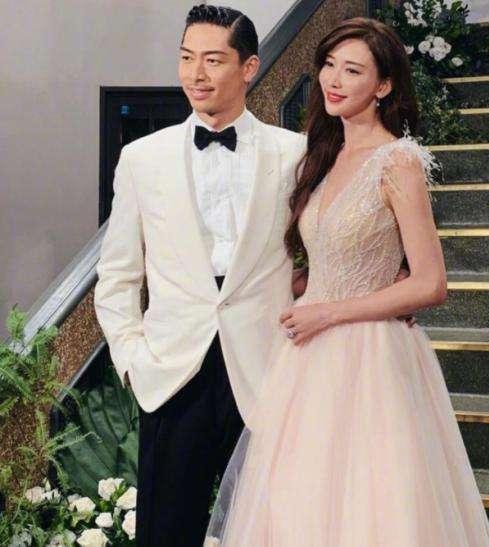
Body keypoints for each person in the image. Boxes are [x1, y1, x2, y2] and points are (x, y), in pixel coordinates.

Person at [204, 17, 489, 547]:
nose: (333, 80)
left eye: (353, 70)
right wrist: (300, 289)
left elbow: (431, 283)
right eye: (329, 65)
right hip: (306, 360)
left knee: (371, 510)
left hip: (370, 357)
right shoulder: (320, 153)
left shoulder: (399, 161)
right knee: (298, 508)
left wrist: (329, 311)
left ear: (383, 86)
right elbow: (326, 259)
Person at [93, 5, 308, 546]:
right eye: (187, 58)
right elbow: (117, 276)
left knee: (267, 533)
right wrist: (132, 361)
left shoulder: (295, 154)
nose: (196, 73)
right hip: (172, 373)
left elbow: (321, 250)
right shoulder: (141, 158)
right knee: (167, 533)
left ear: (249, 67)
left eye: (213, 60)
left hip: (263, 369)